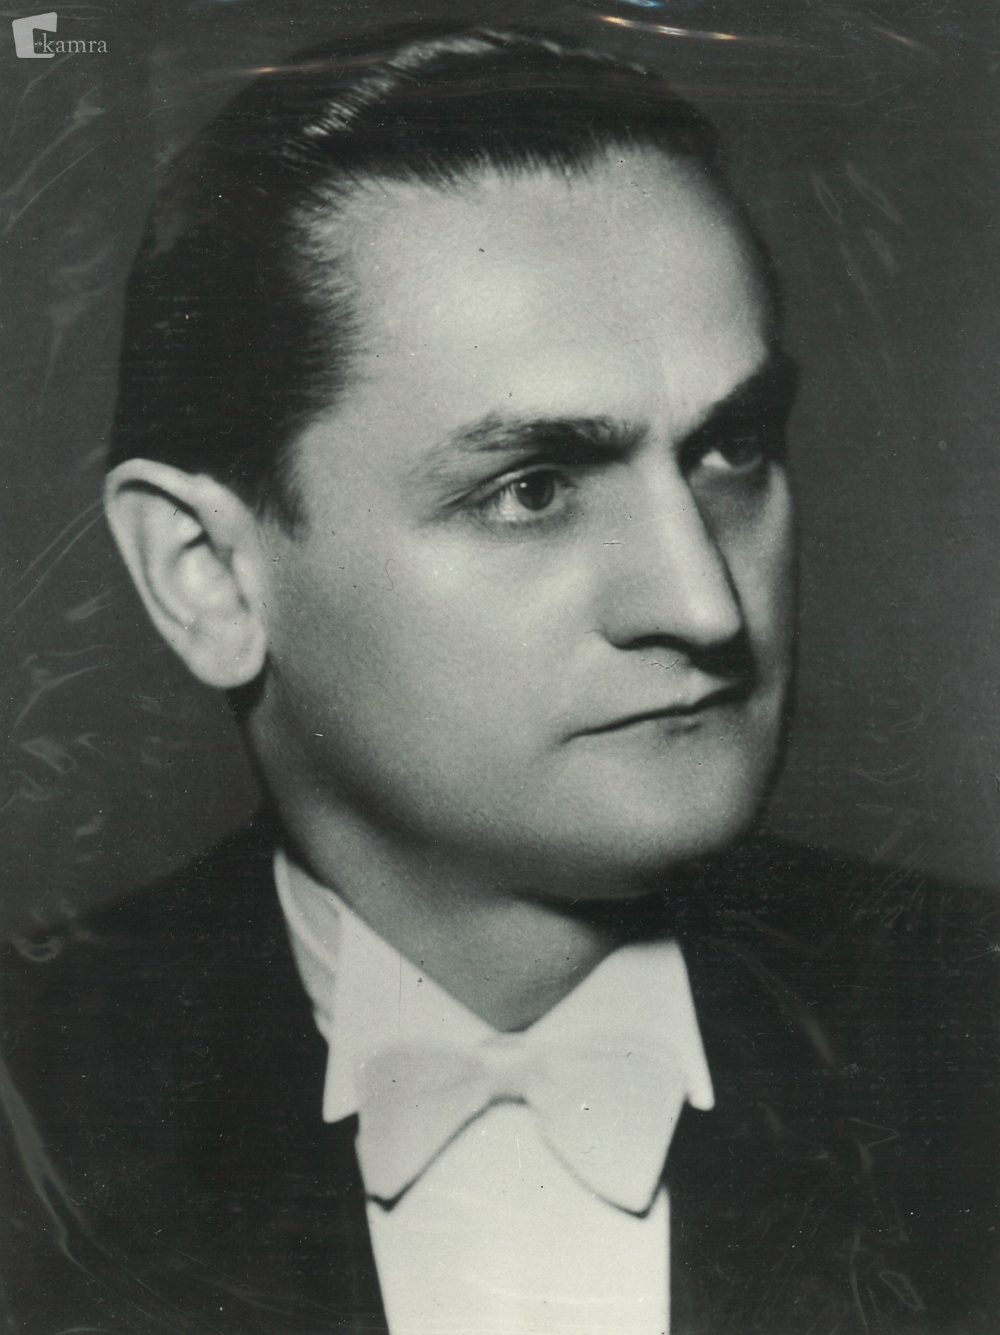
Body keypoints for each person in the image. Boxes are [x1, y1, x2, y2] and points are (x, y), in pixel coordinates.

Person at [1, 22, 996, 1335]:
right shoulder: (35, 1103)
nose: (704, 605)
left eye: (731, 449)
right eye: (531, 490)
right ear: (209, 577)